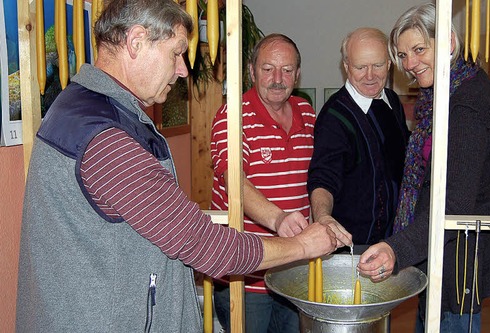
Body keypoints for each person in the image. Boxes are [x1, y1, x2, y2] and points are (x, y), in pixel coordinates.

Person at [15, 1, 351, 332]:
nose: (182, 69)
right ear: (136, 42)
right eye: (176, 53)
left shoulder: (90, 109)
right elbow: (206, 246)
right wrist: (305, 245)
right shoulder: (104, 136)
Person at [357, 3, 490, 333]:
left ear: (449, 42)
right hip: (442, 246)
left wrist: (396, 248)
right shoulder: (443, 94)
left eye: (419, 49)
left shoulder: (467, 103)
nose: (410, 64)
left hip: (459, 254)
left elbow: (453, 204)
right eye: (403, 55)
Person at [210, 33, 347, 333]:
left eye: (286, 70)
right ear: (251, 70)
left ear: (298, 74)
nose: (277, 78)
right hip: (244, 276)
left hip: (294, 271)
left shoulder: (308, 114)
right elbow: (236, 183)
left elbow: (323, 175)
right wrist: (278, 218)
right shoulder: (231, 116)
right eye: (267, 68)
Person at [307, 27, 410, 251]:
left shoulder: (392, 101)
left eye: (378, 65)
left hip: (394, 242)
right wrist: (323, 216)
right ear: (346, 67)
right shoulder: (334, 116)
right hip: (352, 248)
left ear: (390, 63)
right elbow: (323, 177)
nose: (370, 75)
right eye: (360, 67)